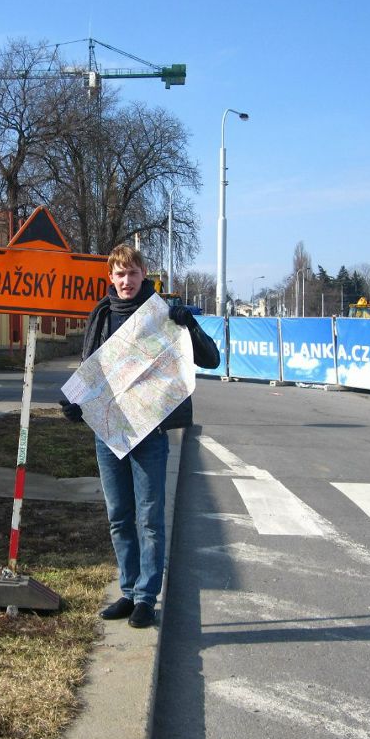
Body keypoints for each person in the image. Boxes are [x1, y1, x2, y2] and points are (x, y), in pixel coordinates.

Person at [61, 245, 219, 628]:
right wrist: (73, 399)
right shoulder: (101, 313)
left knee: (149, 516)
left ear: (143, 273)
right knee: (119, 515)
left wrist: (189, 325)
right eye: (119, 274)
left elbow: (210, 359)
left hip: (149, 431)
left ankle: (147, 597)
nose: (126, 281)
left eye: (132, 273)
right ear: (110, 277)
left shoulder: (162, 313)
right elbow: (91, 368)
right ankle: (129, 591)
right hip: (110, 431)